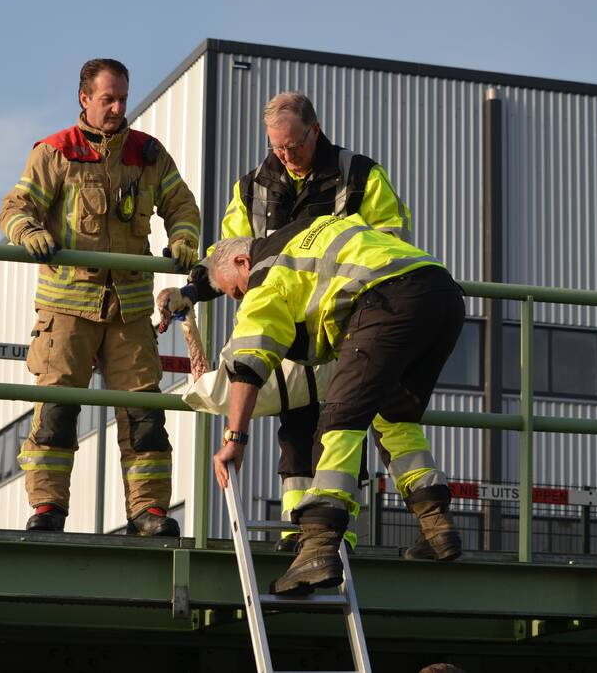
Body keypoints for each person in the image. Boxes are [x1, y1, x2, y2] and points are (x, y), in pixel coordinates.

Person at [162, 91, 411, 552]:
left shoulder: (359, 175)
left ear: (314, 130)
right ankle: (300, 526)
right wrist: (192, 291)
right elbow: (230, 259)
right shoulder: (252, 186)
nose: (286, 155)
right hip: (282, 326)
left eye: (293, 145)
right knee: (295, 427)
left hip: (343, 323)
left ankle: (337, 532)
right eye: (277, 147)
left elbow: (390, 244)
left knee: (339, 421)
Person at [207, 214, 464, 596]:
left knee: (338, 423)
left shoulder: (266, 272)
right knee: (393, 417)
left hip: (386, 300)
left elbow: (248, 358)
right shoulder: (309, 230)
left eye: (235, 291)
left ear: (243, 263)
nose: (240, 299)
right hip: (441, 294)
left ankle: (318, 546)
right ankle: (437, 526)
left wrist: (235, 437)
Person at [0, 58, 201, 535]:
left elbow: (182, 207)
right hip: (66, 308)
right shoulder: (55, 151)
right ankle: (48, 509)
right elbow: (14, 207)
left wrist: (185, 240)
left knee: (145, 416)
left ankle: (148, 513)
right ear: (84, 99)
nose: (116, 108)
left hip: (129, 309)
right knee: (57, 412)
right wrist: (27, 231)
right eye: (107, 99)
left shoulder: (148, 154)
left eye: (123, 99)